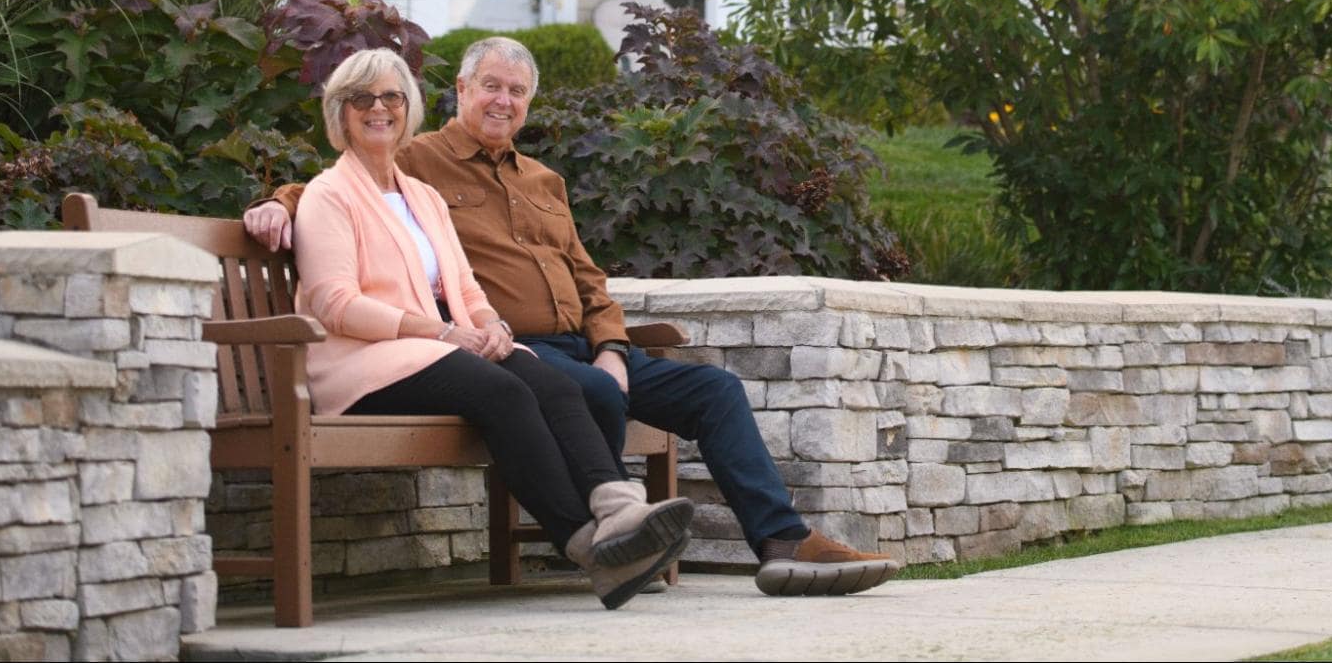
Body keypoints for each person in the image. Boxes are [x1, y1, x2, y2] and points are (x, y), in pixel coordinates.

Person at [246, 36, 899, 598]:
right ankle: (610, 533)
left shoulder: (542, 179)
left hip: (573, 345)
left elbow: (585, 276)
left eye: (518, 91)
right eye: (491, 86)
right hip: (487, 347)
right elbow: (336, 183)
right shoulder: (422, 159)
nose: (504, 100)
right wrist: (276, 200)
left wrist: (613, 347)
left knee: (715, 389)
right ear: (460, 90)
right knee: (566, 387)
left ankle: (781, 539)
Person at [285, 46, 691, 610]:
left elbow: (464, 285)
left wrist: (491, 325)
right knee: (503, 390)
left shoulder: (422, 196)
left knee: (551, 379)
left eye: (391, 97)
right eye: (361, 98)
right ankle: (588, 545)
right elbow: (335, 304)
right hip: (363, 362)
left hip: (430, 350)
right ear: (340, 113)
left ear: (409, 108)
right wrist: (443, 332)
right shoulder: (330, 195)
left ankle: (617, 506)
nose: (378, 108)